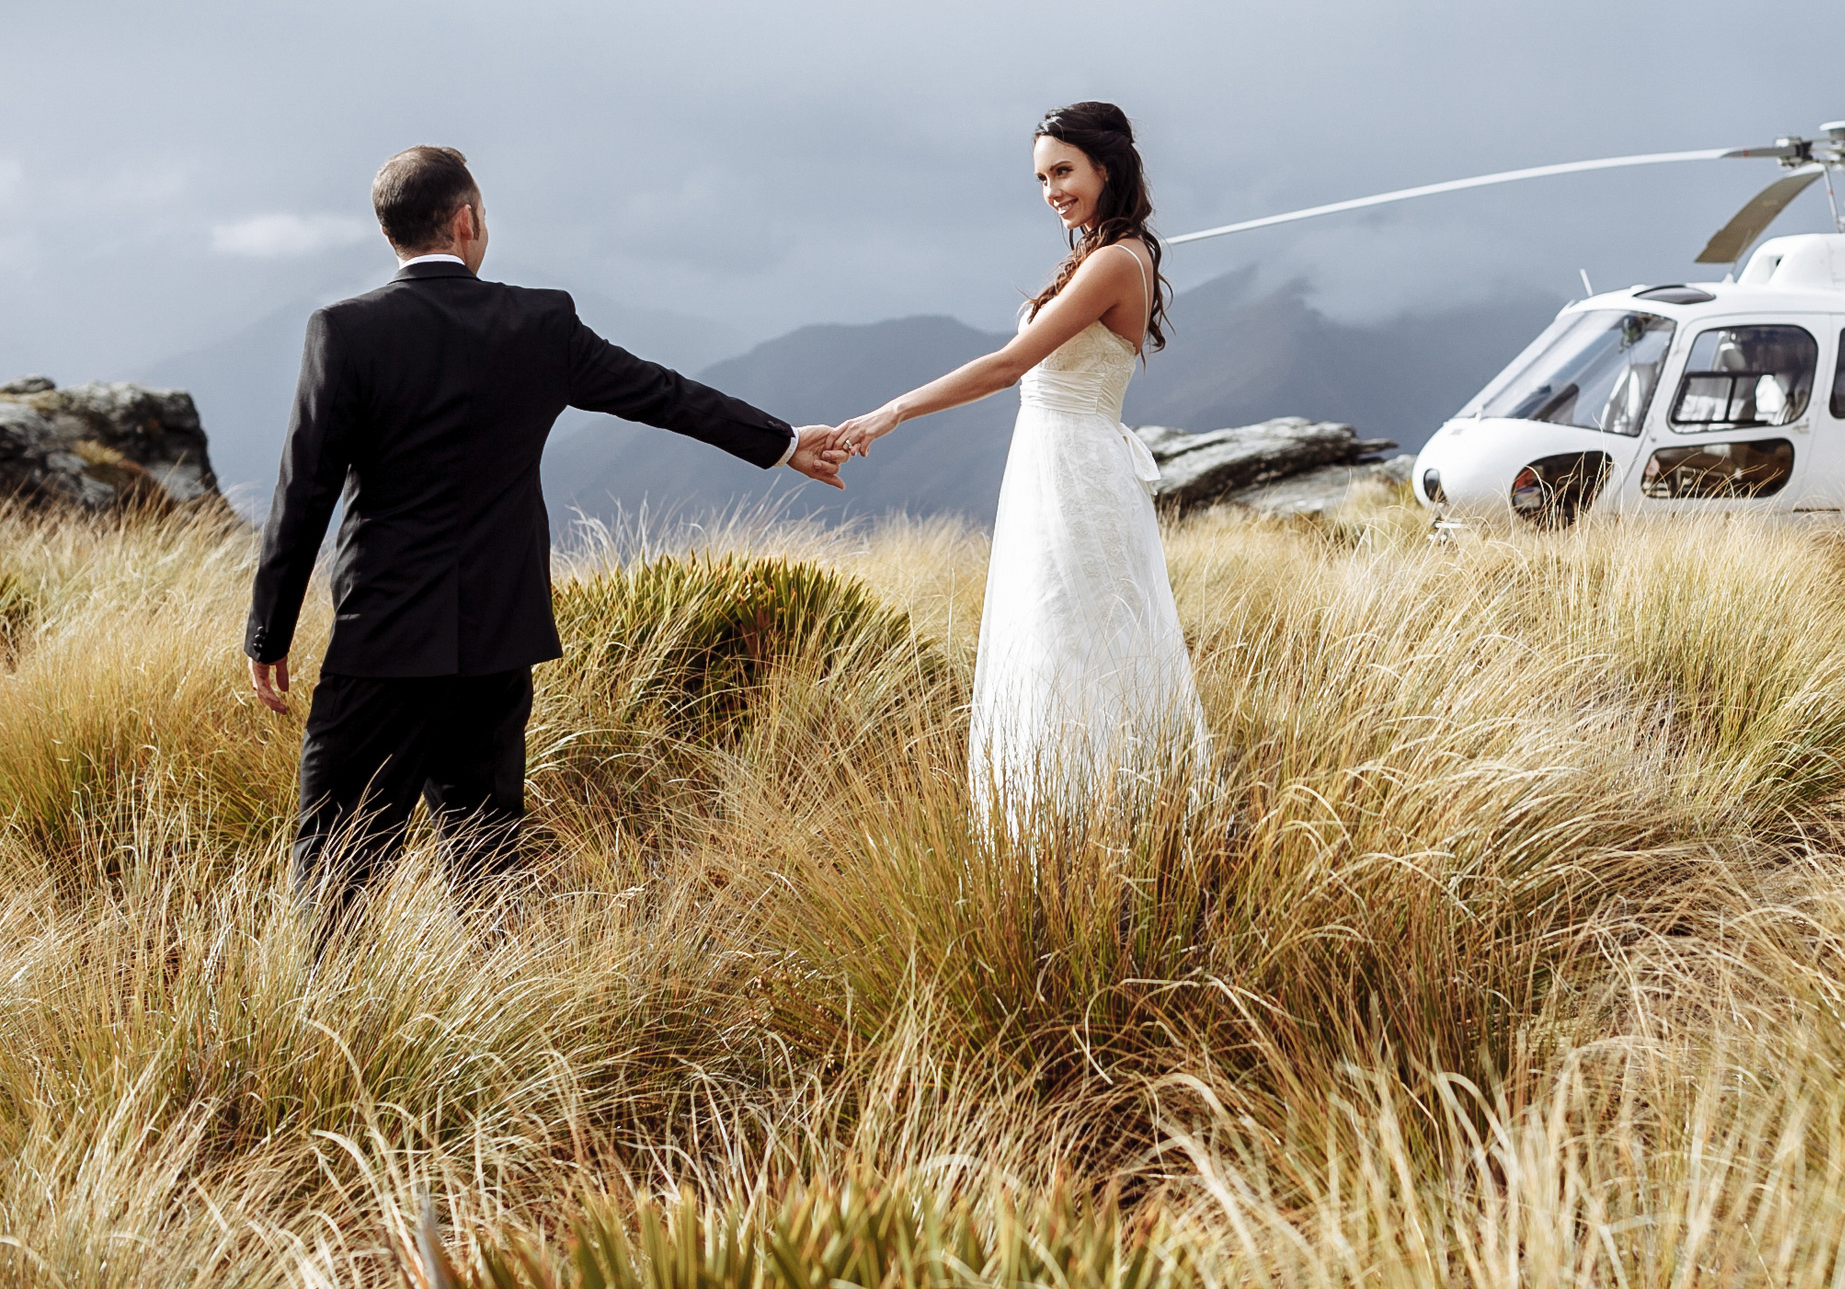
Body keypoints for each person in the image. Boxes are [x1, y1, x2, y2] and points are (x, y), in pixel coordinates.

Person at [244, 145, 849, 911]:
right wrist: (784, 441)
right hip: (499, 637)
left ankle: (325, 1021)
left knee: (336, 863)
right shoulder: (539, 323)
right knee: (489, 859)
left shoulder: (344, 332)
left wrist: (269, 631)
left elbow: (305, 489)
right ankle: (504, 1021)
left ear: (390, 231)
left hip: (384, 636)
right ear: (464, 221)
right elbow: (662, 393)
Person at [836, 102, 1206, 818]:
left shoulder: (1114, 262)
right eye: (1041, 178)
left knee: (1081, 646)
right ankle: (1062, 826)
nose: (1051, 191)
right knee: (1053, 642)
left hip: (1077, 473)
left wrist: (895, 410)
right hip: (1051, 469)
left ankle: (1105, 824)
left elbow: (1009, 366)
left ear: (1107, 166)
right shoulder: (1103, 254)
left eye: (1063, 170)